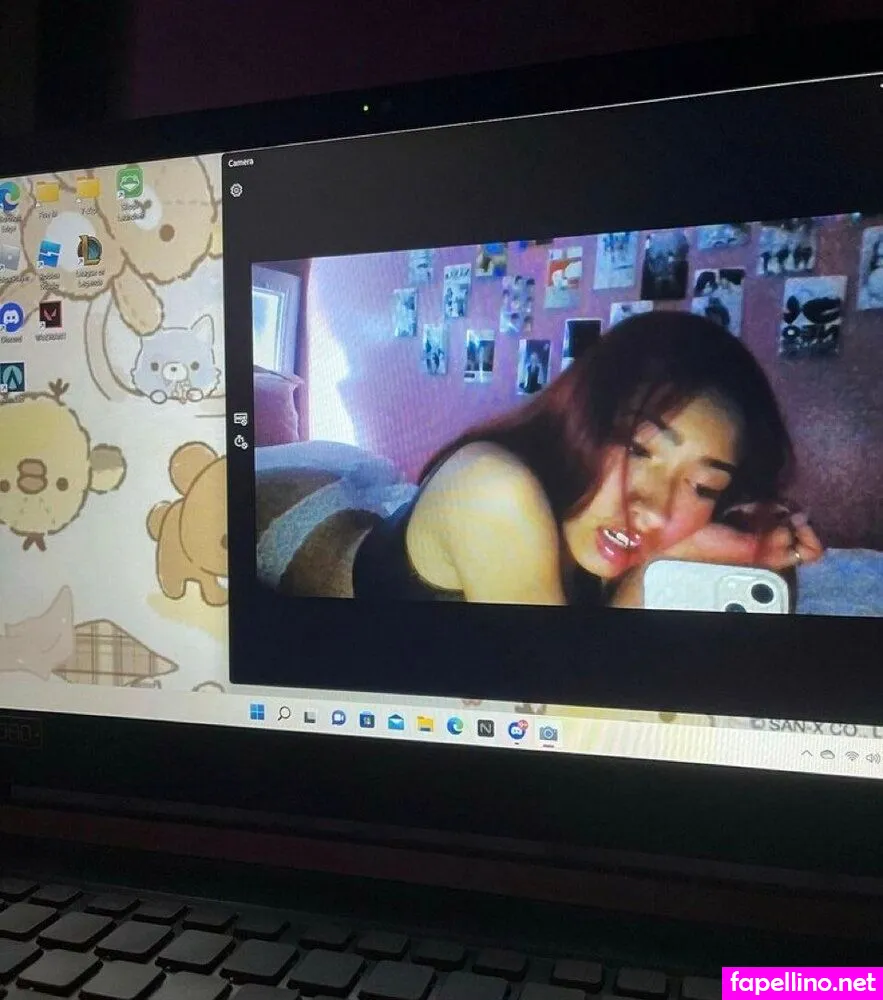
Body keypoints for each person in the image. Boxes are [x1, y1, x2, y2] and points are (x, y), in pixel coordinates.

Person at [352, 312, 822, 605]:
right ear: (582, 414)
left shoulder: (607, 527)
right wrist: (664, 565)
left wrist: (733, 546)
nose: (655, 509)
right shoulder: (493, 490)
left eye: (703, 487)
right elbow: (558, 711)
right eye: (638, 449)